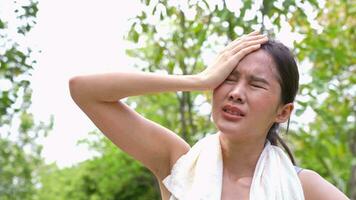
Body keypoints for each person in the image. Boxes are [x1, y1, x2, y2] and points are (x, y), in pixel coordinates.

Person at [69, 31, 349, 200]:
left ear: (283, 112)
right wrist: (197, 81)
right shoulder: (176, 162)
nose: (237, 92)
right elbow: (84, 90)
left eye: (255, 84)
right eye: (228, 78)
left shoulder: (303, 186)